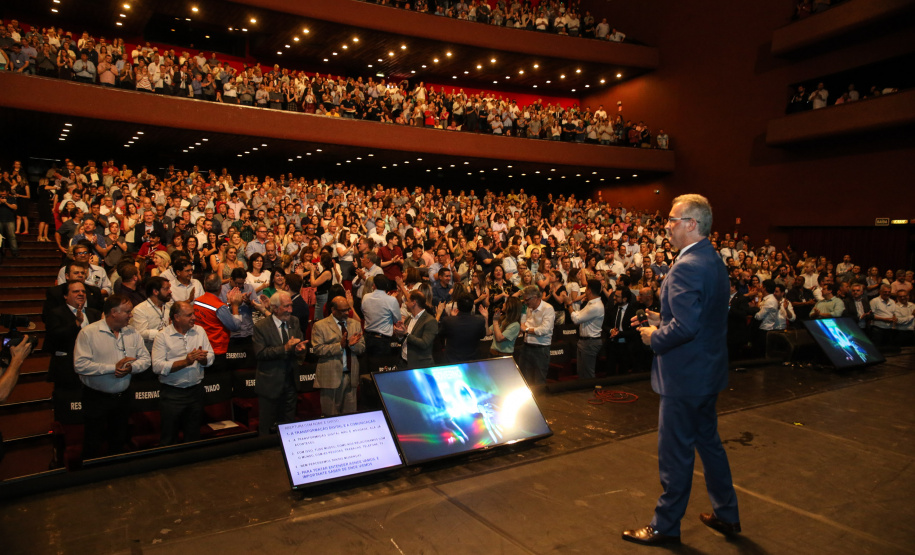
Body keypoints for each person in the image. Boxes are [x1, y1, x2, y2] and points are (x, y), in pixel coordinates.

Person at [623, 194, 739, 546]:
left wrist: (654, 336)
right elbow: (699, 317)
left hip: (684, 377)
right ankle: (726, 512)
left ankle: (665, 525)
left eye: (673, 220)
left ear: (691, 224)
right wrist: (666, 318)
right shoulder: (711, 259)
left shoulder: (687, 265)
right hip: (706, 372)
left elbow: (686, 328)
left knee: (674, 454)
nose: (667, 226)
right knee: (709, 444)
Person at [74, 294, 151, 459]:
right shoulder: (89, 333)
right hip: (96, 398)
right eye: (127, 312)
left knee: (118, 439)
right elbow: (80, 365)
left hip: (123, 398)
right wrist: (112, 368)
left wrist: (130, 368)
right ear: (113, 312)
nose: (131, 315)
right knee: (93, 441)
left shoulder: (132, 333)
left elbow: (146, 360)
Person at [151, 301, 215, 445]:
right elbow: (157, 366)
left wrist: (204, 359)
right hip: (172, 394)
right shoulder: (162, 336)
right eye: (189, 315)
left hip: (196, 392)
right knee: (169, 436)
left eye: (193, 313)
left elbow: (211, 355)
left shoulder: (200, 331)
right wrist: (185, 362)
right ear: (177, 317)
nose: (194, 317)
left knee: (193, 436)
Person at [252, 291, 309, 434]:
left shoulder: (294, 321)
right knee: (267, 427)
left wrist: (300, 349)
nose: (290, 310)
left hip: (291, 382)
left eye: (291, 306)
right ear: (275, 308)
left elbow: (298, 345)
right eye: (286, 306)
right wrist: (285, 348)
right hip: (270, 384)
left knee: (288, 427)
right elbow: (260, 353)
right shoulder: (261, 327)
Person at [44, 280, 102, 395]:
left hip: (91, 366)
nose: (81, 294)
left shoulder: (94, 313)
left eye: (83, 291)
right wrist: (76, 323)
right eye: (76, 291)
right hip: (66, 368)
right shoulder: (56, 313)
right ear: (65, 296)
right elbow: (54, 336)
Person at [311, 295, 365, 416]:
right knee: (331, 417)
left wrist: (351, 345)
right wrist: (340, 346)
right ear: (333, 310)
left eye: (348, 309)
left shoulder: (355, 324)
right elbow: (317, 349)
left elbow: (362, 348)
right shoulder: (320, 325)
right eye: (342, 310)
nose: (346, 313)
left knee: (350, 417)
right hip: (330, 377)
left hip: (351, 377)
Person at [361, 275, 401, 373]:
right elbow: (397, 319)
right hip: (383, 340)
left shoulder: (366, 297)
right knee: (381, 370)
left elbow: (363, 312)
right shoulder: (391, 300)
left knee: (368, 369)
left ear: (374, 285)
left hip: (367, 337)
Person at [565, 279, 605, 379]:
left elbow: (576, 319)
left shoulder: (595, 306)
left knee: (588, 373)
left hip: (590, 342)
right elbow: (579, 314)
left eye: (586, 288)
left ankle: (590, 393)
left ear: (589, 290)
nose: (585, 290)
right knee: (582, 372)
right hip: (585, 341)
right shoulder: (591, 303)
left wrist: (569, 304)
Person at [518, 284, 555, 385]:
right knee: (524, 379)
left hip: (541, 348)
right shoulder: (529, 308)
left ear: (535, 297)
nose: (525, 302)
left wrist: (526, 329)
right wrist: (522, 327)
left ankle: (540, 400)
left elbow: (544, 329)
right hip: (526, 346)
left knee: (539, 381)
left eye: (527, 300)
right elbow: (524, 323)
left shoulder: (548, 308)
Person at [394, 290, 439, 369]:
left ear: (413, 303)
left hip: (420, 366)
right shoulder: (409, 318)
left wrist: (406, 334)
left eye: (407, 301)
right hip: (404, 363)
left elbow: (424, 343)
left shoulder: (430, 321)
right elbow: (403, 340)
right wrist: (400, 334)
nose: (406, 303)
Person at [438, 293, 487, 363]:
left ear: (458, 306)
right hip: (473, 360)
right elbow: (482, 335)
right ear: (472, 306)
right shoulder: (480, 320)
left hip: (452, 360)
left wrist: (452, 317)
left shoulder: (448, 320)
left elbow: (441, 335)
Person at [129, 276, 172, 353]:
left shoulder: (168, 306)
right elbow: (141, 333)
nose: (170, 291)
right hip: (148, 352)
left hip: (168, 349)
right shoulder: (140, 310)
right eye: (166, 289)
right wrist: (165, 332)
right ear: (155, 291)